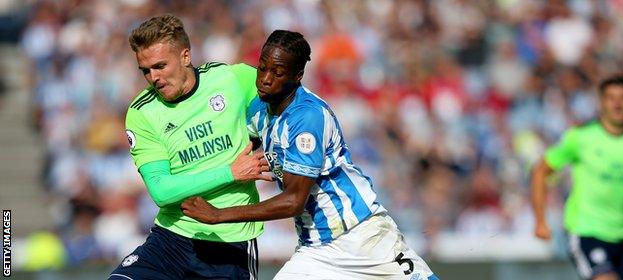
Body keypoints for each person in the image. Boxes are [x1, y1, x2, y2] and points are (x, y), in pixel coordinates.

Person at [182, 30, 438, 280]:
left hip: (363, 237)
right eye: (262, 68)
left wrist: (218, 215)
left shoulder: (307, 118)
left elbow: (294, 201)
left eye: (278, 72)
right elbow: (232, 150)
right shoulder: (260, 108)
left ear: (298, 75)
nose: (265, 79)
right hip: (316, 249)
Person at [109, 15, 273, 280]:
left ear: (185, 56)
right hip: (172, 238)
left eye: (160, 66)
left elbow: (291, 105)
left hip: (229, 242)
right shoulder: (143, 112)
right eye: (146, 70)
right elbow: (161, 190)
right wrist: (230, 172)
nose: (154, 77)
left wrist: (265, 139)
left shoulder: (232, 79)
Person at [531, 75, 623, 280]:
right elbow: (541, 171)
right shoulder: (581, 138)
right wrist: (540, 220)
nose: (618, 104)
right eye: (611, 98)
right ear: (602, 102)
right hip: (589, 231)